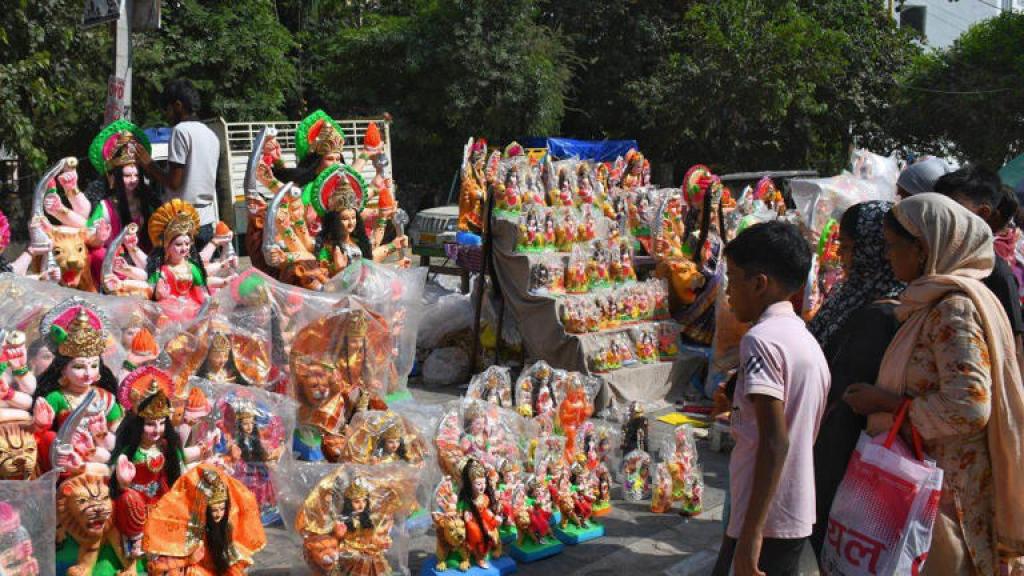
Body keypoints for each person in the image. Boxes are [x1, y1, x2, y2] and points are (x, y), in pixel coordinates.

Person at [844, 193, 1024, 575]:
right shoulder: (933, 300)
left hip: (946, 489)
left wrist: (889, 404)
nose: (889, 256)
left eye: (894, 246)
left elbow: (970, 407)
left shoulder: (953, 308)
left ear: (924, 248)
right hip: (932, 476)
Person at [716, 221, 830, 576]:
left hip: (764, 517)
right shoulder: (802, 338)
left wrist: (751, 536)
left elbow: (775, 441)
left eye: (732, 278)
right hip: (788, 510)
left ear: (759, 283)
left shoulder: (761, 341)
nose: (728, 291)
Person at [805, 201, 904, 559]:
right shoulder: (850, 295)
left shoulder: (883, 311)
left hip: (842, 442)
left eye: (847, 248)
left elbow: (849, 382)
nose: (841, 257)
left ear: (870, 250)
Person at [934, 166, 1024, 350]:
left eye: (950, 209)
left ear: (983, 213)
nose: (939, 217)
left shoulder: (996, 274)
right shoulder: (932, 257)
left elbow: (1013, 347)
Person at [134, 79, 221, 248]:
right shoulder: (211, 135)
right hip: (207, 221)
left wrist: (148, 164)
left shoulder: (181, 131)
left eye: (167, 109)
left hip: (182, 223)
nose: (167, 115)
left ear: (178, 105)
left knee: (179, 273)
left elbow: (174, 182)